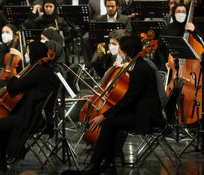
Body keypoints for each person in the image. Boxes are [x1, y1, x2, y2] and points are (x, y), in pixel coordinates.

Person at [65, 34, 164, 175]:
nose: (118, 52)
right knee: (111, 121)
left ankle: (96, 166)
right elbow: (127, 98)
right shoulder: (137, 66)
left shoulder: (140, 69)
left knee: (108, 122)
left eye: (120, 49)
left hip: (147, 117)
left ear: (125, 52)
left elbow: (128, 100)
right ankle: (108, 162)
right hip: (139, 110)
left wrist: (103, 116)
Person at [0, 41, 58, 175]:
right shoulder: (47, 70)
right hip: (36, 115)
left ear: (34, 54)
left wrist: (15, 78)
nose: (27, 54)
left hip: (31, 119)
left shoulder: (38, 72)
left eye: (28, 52)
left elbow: (14, 86)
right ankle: (1, 165)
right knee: (3, 125)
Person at [155, 3, 202, 71]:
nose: (181, 14)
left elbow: (201, 43)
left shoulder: (192, 27)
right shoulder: (167, 29)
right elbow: (160, 50)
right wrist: (165, 62)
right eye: (178, 12)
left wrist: (195, 31)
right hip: (170, 65)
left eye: (183, 12)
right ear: (174, 13)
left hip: (190, 67)